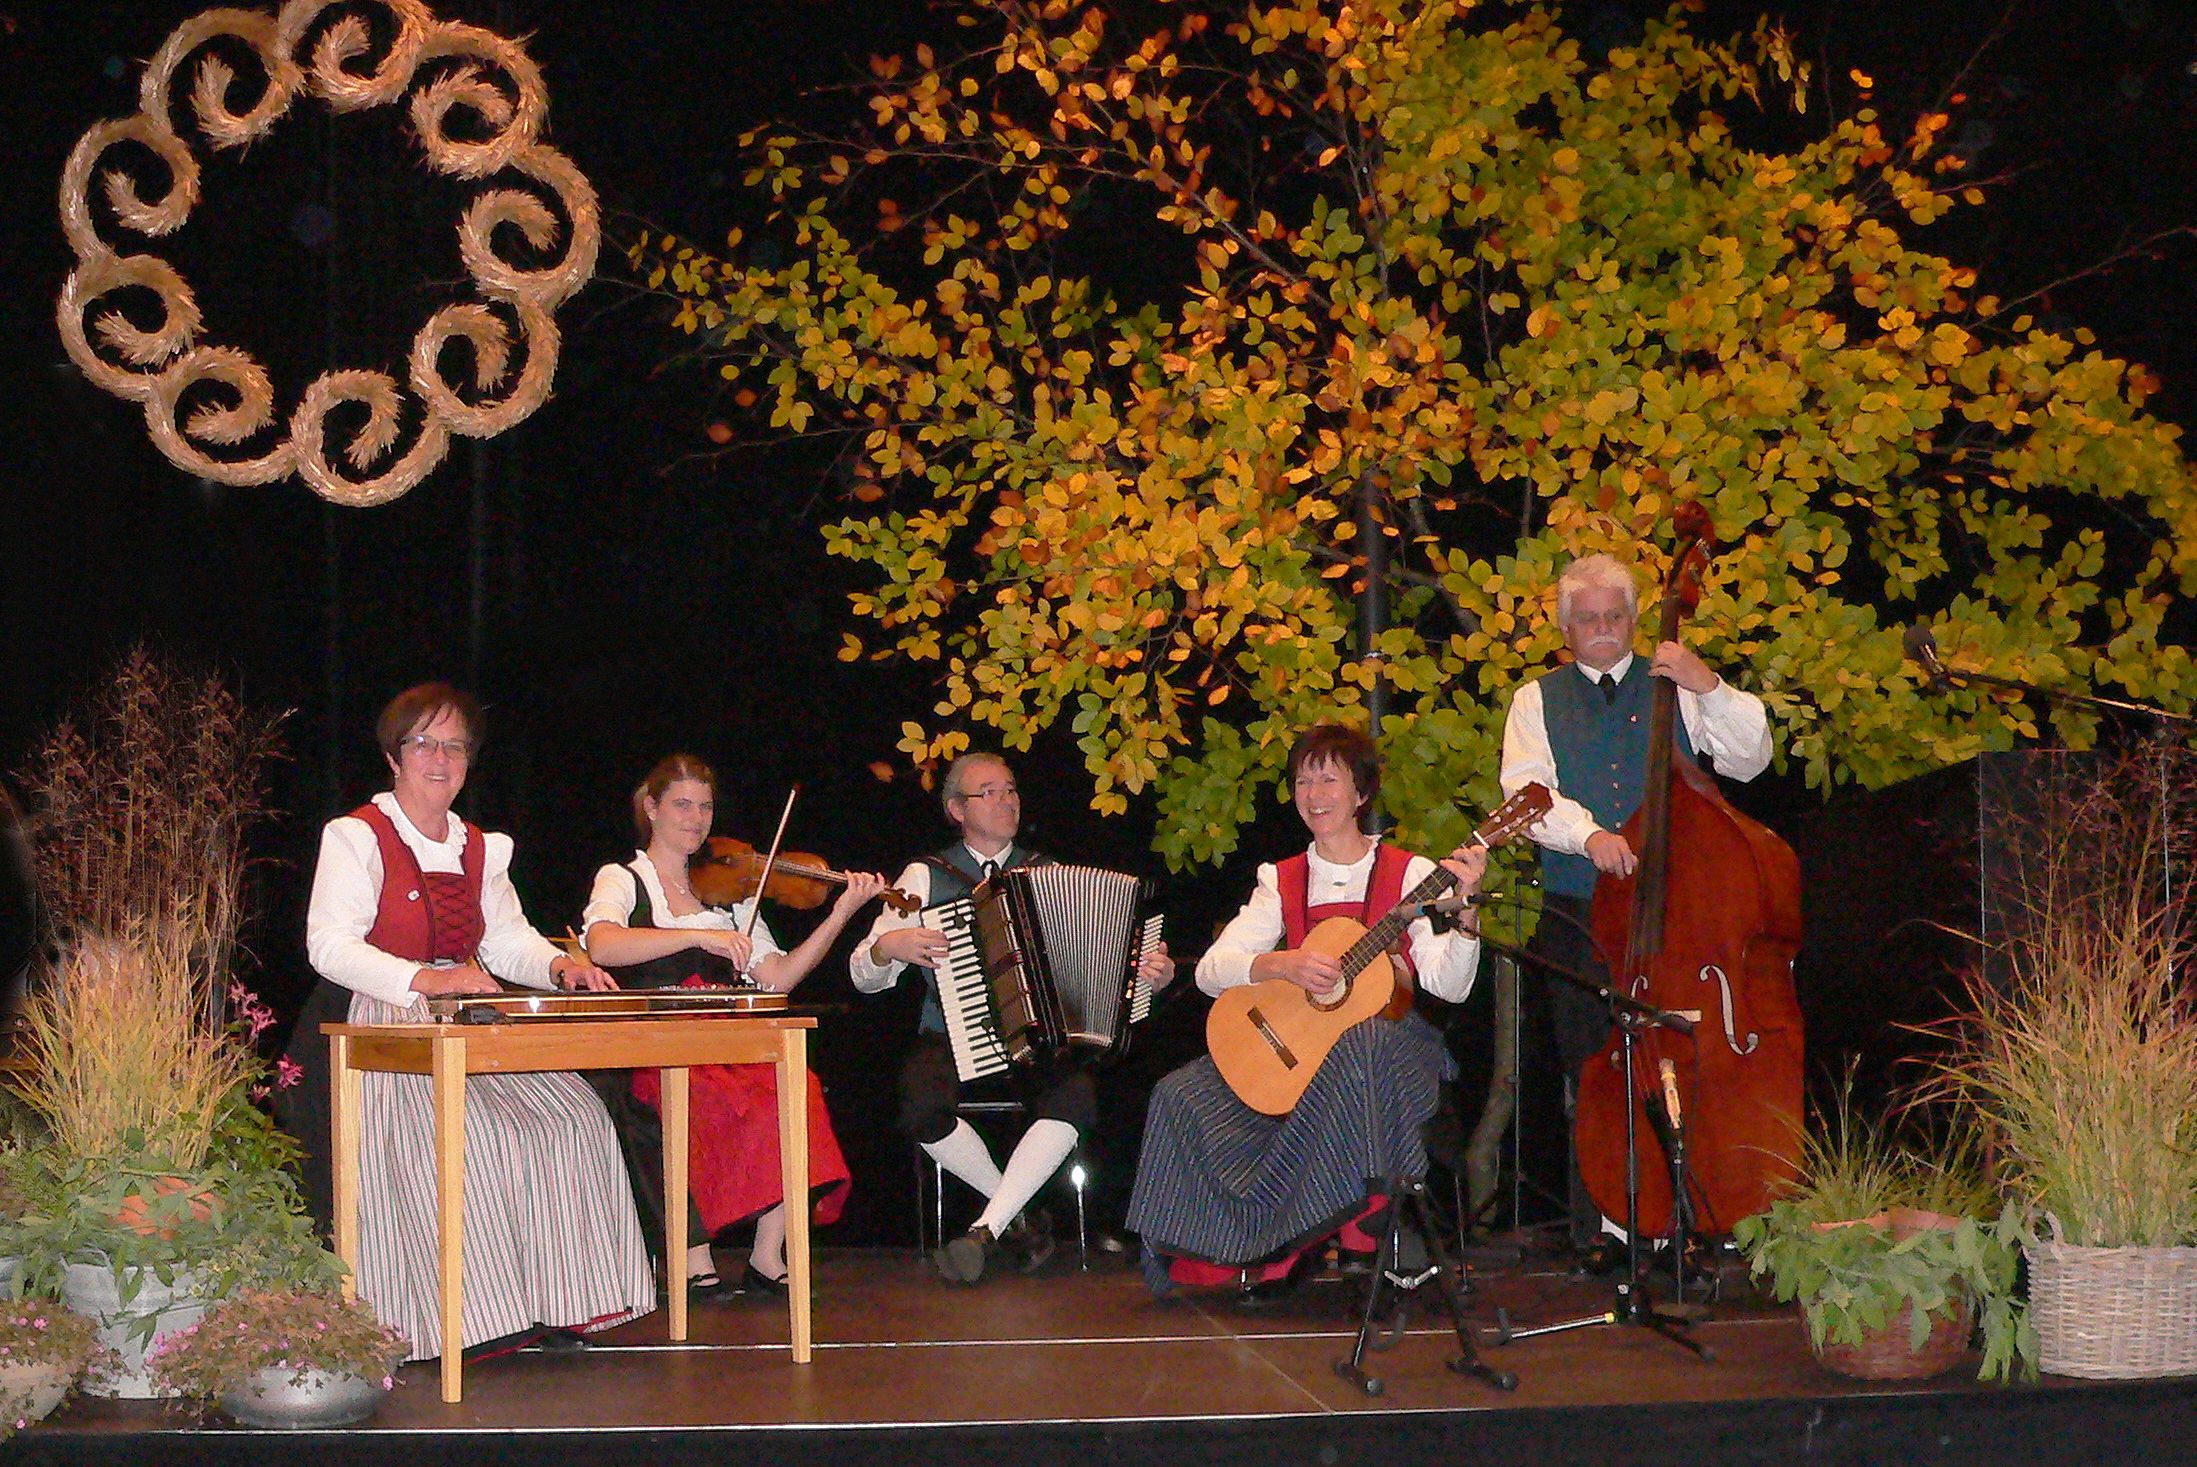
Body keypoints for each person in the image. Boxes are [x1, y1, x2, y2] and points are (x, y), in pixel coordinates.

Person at [300, 683, 653, 1361]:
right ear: (394, 756)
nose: (440, 759)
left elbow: (507, 941)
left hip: (463, 1015)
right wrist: (427, 978)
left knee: (574, 1117)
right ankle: (466, 1318)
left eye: (455, 746)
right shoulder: (357, 836)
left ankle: (561, 1299)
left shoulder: (480, 847)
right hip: (386, 1023)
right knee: (474, 1138)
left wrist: (560, 967)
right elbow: (329, 945)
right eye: (423, 744)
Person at [1126, 723, 1486, 1292]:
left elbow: (1451, 985)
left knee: (1363, 1044)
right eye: (1302, 781)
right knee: (1179, 1092)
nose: (1313, 795)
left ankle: (1373, 1235)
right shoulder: (1281, 878)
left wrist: (1466, 920)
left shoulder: (1411, 874)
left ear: (1360, 792)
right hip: (1302, 1051)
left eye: (1328, 780)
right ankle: (1216, 1254)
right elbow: (1212, 971)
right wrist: (1281, 965)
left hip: (1393, 1050)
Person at [1498, 551, 1773, 1264]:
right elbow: (1525, 793)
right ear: (1565, 628)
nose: (1602, 628)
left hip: (1681, 916)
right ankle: (1609, 1227)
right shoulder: (1535, 700)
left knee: (1691, 1059)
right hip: (1579, 909)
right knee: (1591, 1069)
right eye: (1587, 618)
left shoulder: (1674, 682)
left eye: (1614, 616)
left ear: (1632, 619)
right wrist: (1588, 835)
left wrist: (1708, 685)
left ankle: (1697, 1212)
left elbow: (1751, 759)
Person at [849, 751, 1176, 1286]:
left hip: (1037, 1035)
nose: (1006, 801)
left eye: (1011, 790)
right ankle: (1019, 1216)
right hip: (951, 1032)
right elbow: (863, 973)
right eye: (989, 792)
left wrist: (1147, 974)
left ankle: (988, 1228)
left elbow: (1105, 962)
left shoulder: (1050, 873)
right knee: (920, 1105)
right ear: (957, 809)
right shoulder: (924, 876)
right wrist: (888, 947)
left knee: (1076, 1097)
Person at [580, 754, 880, 1298]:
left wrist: (840, 915)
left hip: (726, 1042)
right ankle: (690, 1250)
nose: (696, 819)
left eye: (705, 807)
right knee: (705, 1095)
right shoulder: (624, 878)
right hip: (656, 1044)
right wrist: (698, 937)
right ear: (652, 808)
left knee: (795, 1088)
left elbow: (779, 977)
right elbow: (603, 944)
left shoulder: (732, 895)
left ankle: (767, 1253)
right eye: (682, 805)